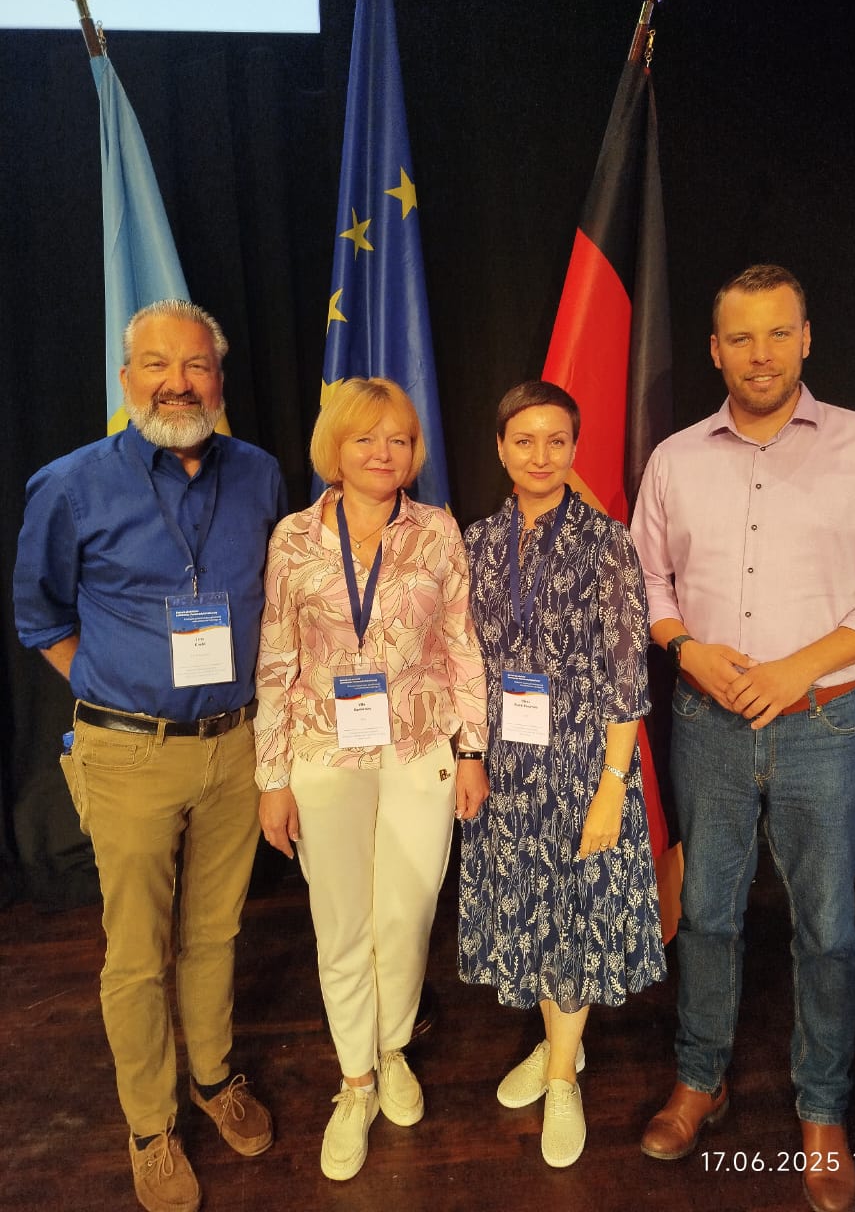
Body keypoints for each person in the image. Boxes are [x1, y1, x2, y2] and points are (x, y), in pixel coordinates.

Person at [631, 265, 855, 1212]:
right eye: (740, 337)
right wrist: (686, 647)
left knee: (827, 927)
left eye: (776, 333)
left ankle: (823, 1106)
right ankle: (701, 1079)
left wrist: (800, 667)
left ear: (806, 338)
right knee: (707, 915)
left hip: (824, 725)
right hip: (707, 723)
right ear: (714, 350)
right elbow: (647, 582)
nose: (759, 354)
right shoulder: (675, 459)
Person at [13, 300, 286, 1212]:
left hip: (235, 746)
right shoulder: (70, 485)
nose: (179, 382)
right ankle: (150, 1127)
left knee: (216, 932)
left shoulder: (260, 475)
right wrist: (110, 684)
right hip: (129, 754)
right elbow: (39, 615)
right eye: (158, 365)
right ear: (127, 378)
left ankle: (212, 1079)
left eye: (197, 365)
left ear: (219, 378)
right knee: (136, 954)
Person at [255, 376, 489, 1182]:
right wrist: (271, 776)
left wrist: (472, 750)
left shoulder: (437, 530)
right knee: (343, 922)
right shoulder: (293, 538)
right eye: (366, 438)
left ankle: (392, 1052)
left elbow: (462, 644)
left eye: (399, 439)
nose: (384, 453)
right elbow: (277, 659)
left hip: (419, 750)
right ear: (335, 448)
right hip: (323, 755)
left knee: (407, 915)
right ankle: (355, 1080)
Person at [458, 380, 666, 1169]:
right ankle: (559, 1046)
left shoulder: (606, 543)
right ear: (500, 448)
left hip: (584, 765)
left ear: (574, 448)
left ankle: (562, 1079)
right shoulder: (477, 541)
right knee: (533, 914)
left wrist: (613, 786)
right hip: (507, 766)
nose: (540, 455)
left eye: (556, 441)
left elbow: (627, 679)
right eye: (524, 440)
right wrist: (469, 756)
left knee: (574, 916)